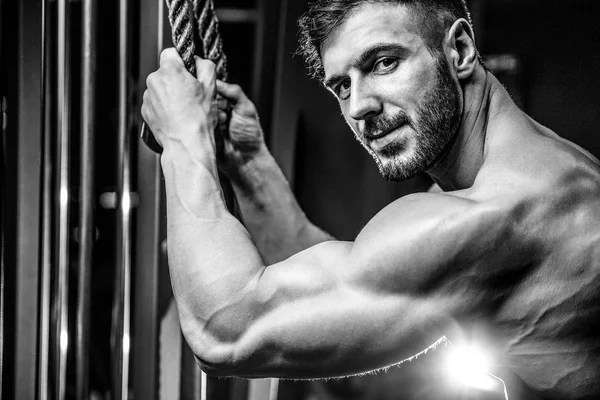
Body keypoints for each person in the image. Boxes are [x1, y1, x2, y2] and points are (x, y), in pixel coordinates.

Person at [141, 0, 600, 398]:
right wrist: (248, 164)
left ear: (458, 51)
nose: (359, 106)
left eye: (382, 62)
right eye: (341, 85)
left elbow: (224, 332)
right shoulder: (524, 175)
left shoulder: (501, 215)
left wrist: (183, 142)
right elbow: (348, 285)